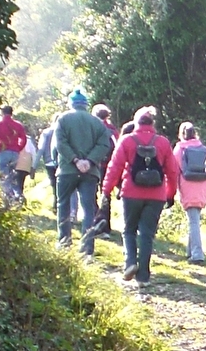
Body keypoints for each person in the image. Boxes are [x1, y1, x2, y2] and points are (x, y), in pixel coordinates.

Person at [102, 108, 179, 288]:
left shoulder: (127, 140)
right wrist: (170, 193)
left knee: (129, 230)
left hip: (131, 193)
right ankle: (143, 276)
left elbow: (115, 167)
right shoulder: (163, 142)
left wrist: (107, 190)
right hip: (157, 195)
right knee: (147, 234)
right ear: (153, 124)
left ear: (136, 123)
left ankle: (130, 263)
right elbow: (172, 171)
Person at [54, 89, 113, 258]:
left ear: (70, 103)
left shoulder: (63, 119)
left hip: (67, 170)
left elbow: (60, 143)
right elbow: (104, 145)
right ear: (85, 104)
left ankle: (64, 241)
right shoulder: (97, 122)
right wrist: (89, 161)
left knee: (63, 205)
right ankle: (87, 248)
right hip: (90, 171)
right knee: (88, 209)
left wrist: (75, 160)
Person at [174, 122, 206, 263]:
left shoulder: (180, 149)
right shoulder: (203, 149)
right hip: (203, 186)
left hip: (188, 186)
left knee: (193, 221)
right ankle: (190, 250)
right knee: (194, 219)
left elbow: (174, 169)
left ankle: (197, 254)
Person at [0, 105, 27, 207]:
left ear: (2, 113)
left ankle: (8, 199)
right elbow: (23, 139)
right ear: (12, 113)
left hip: (3, 152)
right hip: (14, 153)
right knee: (12, 176)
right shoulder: (18, 125)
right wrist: (18, 149)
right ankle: (18, 196)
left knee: (3, 177)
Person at [92, 104, 119, 236]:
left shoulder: (92, 127)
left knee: (91, 194)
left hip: (94, 165)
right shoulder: (113, 131)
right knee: (106, 195)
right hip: (109, 167)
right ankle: (106, 226)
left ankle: (96, 222)